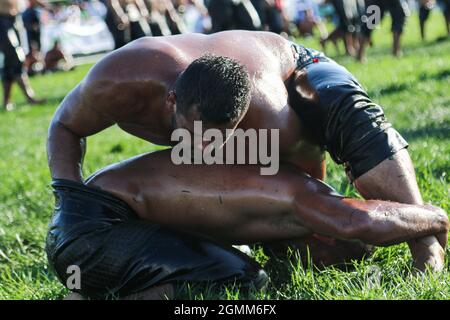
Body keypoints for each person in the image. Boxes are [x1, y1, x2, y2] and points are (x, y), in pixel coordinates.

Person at [46, 31, 447, 298]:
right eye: (196, 134)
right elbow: (64, 125)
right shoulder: (117, 82)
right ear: (171, 102)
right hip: (100, 218)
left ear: (239, 124)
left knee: (358, 127)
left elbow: (309, 170)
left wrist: (309, 219)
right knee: (244, 272)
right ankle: (428, 222)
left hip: (298, 66)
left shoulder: (268, 115)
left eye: (218, 138)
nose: (204, 149)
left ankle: (425, 245)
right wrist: (71, 204)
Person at [0, 0, 46, 111]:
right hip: (1, 19)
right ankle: (29, 97)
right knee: (16, 57)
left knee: (10, 62)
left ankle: (6, 102)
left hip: (15, 18)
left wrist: (45, 6)